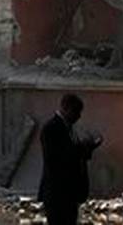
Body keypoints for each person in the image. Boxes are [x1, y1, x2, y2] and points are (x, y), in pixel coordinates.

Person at [38, 94, 103, 225]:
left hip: (69, 193)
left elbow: (72, 154)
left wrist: (87, 148)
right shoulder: (51, 128)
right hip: (58, 193)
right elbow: (56, 160)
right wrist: (84, 148)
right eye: (76, 111)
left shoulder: (69, 129)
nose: (78, 116)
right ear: (66, 108)